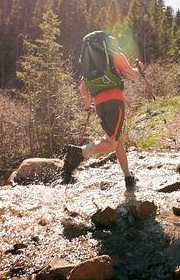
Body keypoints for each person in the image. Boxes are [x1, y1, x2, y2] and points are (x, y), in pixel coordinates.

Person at [62, 32, 144, 190]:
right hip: (115, 101)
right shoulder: (115, 56)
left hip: (99, 104)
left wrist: (87, 106)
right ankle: (79, 152)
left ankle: (128, 177)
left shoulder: (87, 64)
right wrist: (139, 69)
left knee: (118, 139)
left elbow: (82, 88)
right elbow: (131, 74)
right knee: (111, 143)